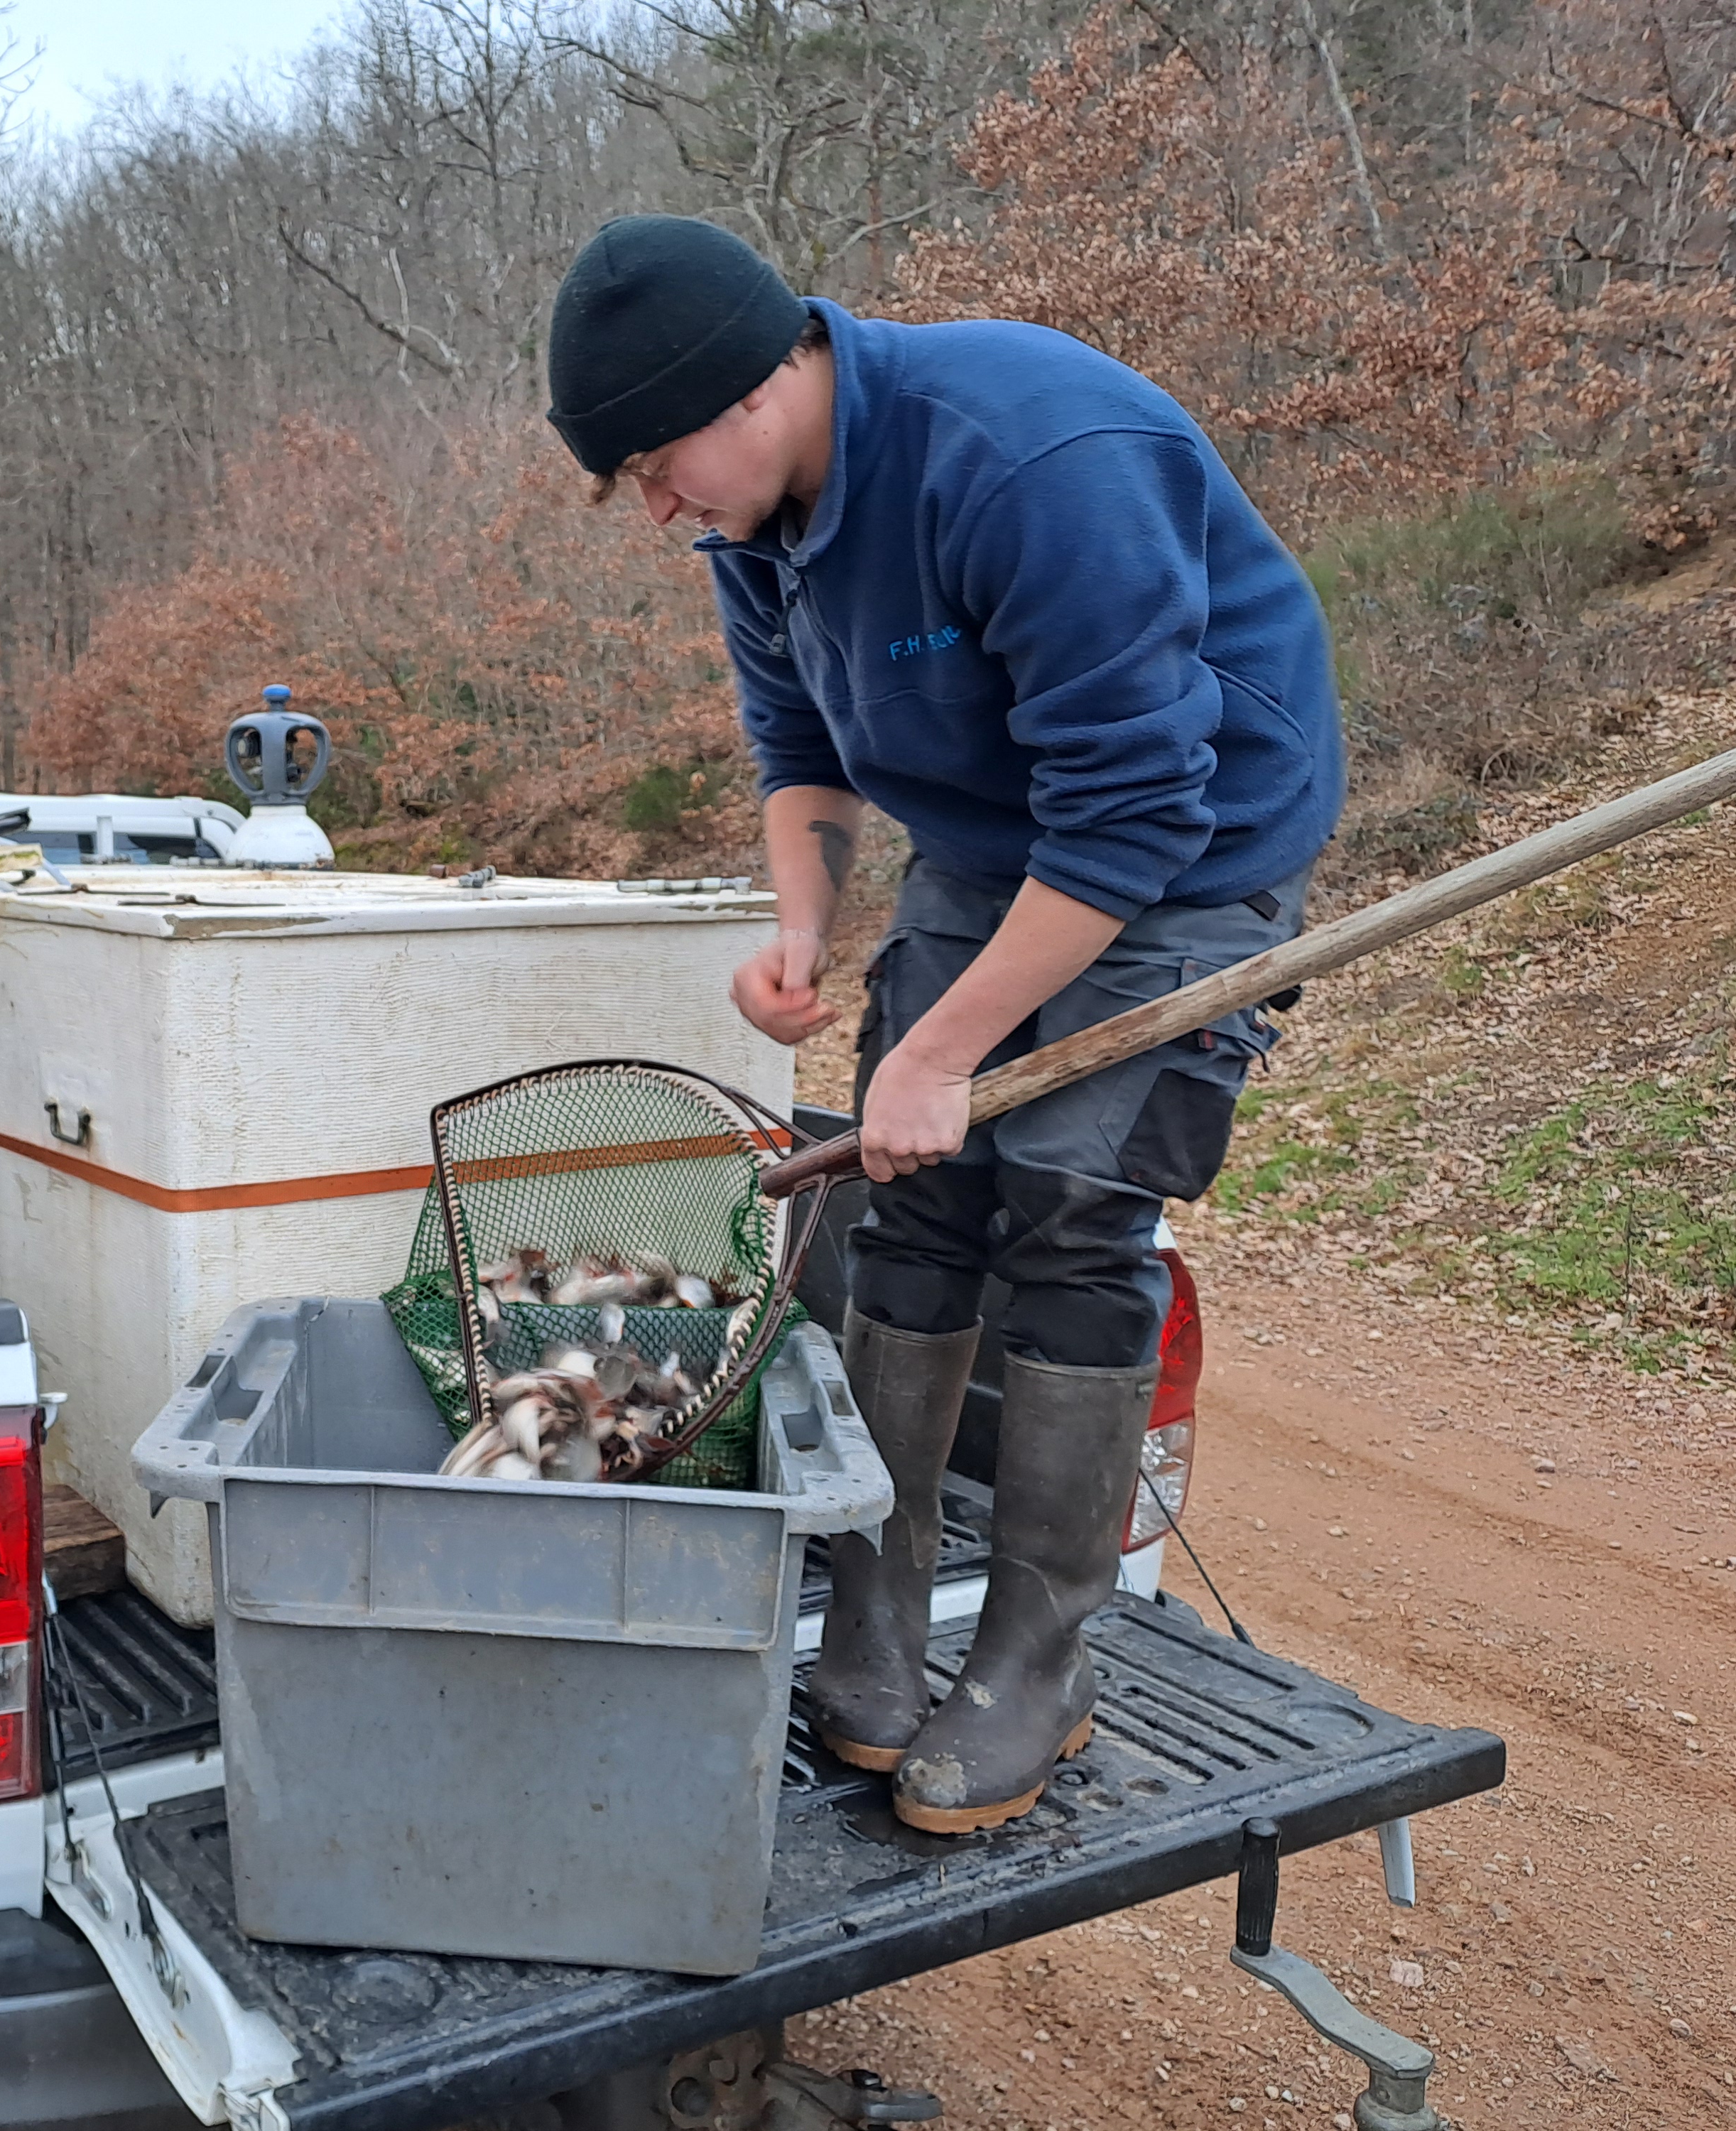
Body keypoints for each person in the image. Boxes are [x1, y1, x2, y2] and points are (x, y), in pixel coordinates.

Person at [546, 217, 1343, 1833]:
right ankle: (877, 1612)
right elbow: (797, 746)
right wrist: (801, 928)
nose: (657, 509)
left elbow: (1131, 813)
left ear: (756, 385)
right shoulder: (757, 523)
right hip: (991, 852)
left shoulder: (1029, 456)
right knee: (902, 1201)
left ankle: (1039, 1662)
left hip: (1186, 855)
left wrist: (939, 1052)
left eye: (654, 466)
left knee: (1067, 1209)